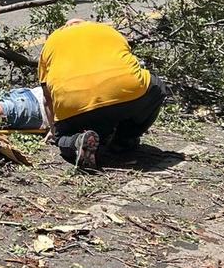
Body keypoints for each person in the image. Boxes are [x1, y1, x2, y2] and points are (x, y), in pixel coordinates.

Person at [37, 19, 166, 168]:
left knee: (63, 138)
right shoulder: (107, 30)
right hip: (127, 92)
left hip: (74, 103)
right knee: (157, 87)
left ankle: (76, 142)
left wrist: (55, 132)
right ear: (87, 23)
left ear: (64, 27)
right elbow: (129, 62)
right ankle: (123, 141)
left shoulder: (52, 41)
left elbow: (47, 97)